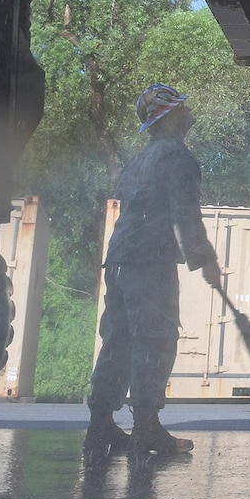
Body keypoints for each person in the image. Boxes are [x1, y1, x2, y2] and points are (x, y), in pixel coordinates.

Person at [84, 84, 222, 464]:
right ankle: (146, 425)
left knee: (119, 339)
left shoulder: (139, 159)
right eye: (183, 106)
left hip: (119, 260)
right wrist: (204, 259)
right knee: (154, 341)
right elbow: (184, 215)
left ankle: (100, 423)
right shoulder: (178, 158)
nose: (189, 110)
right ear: (170, 117)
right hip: (149, 262)